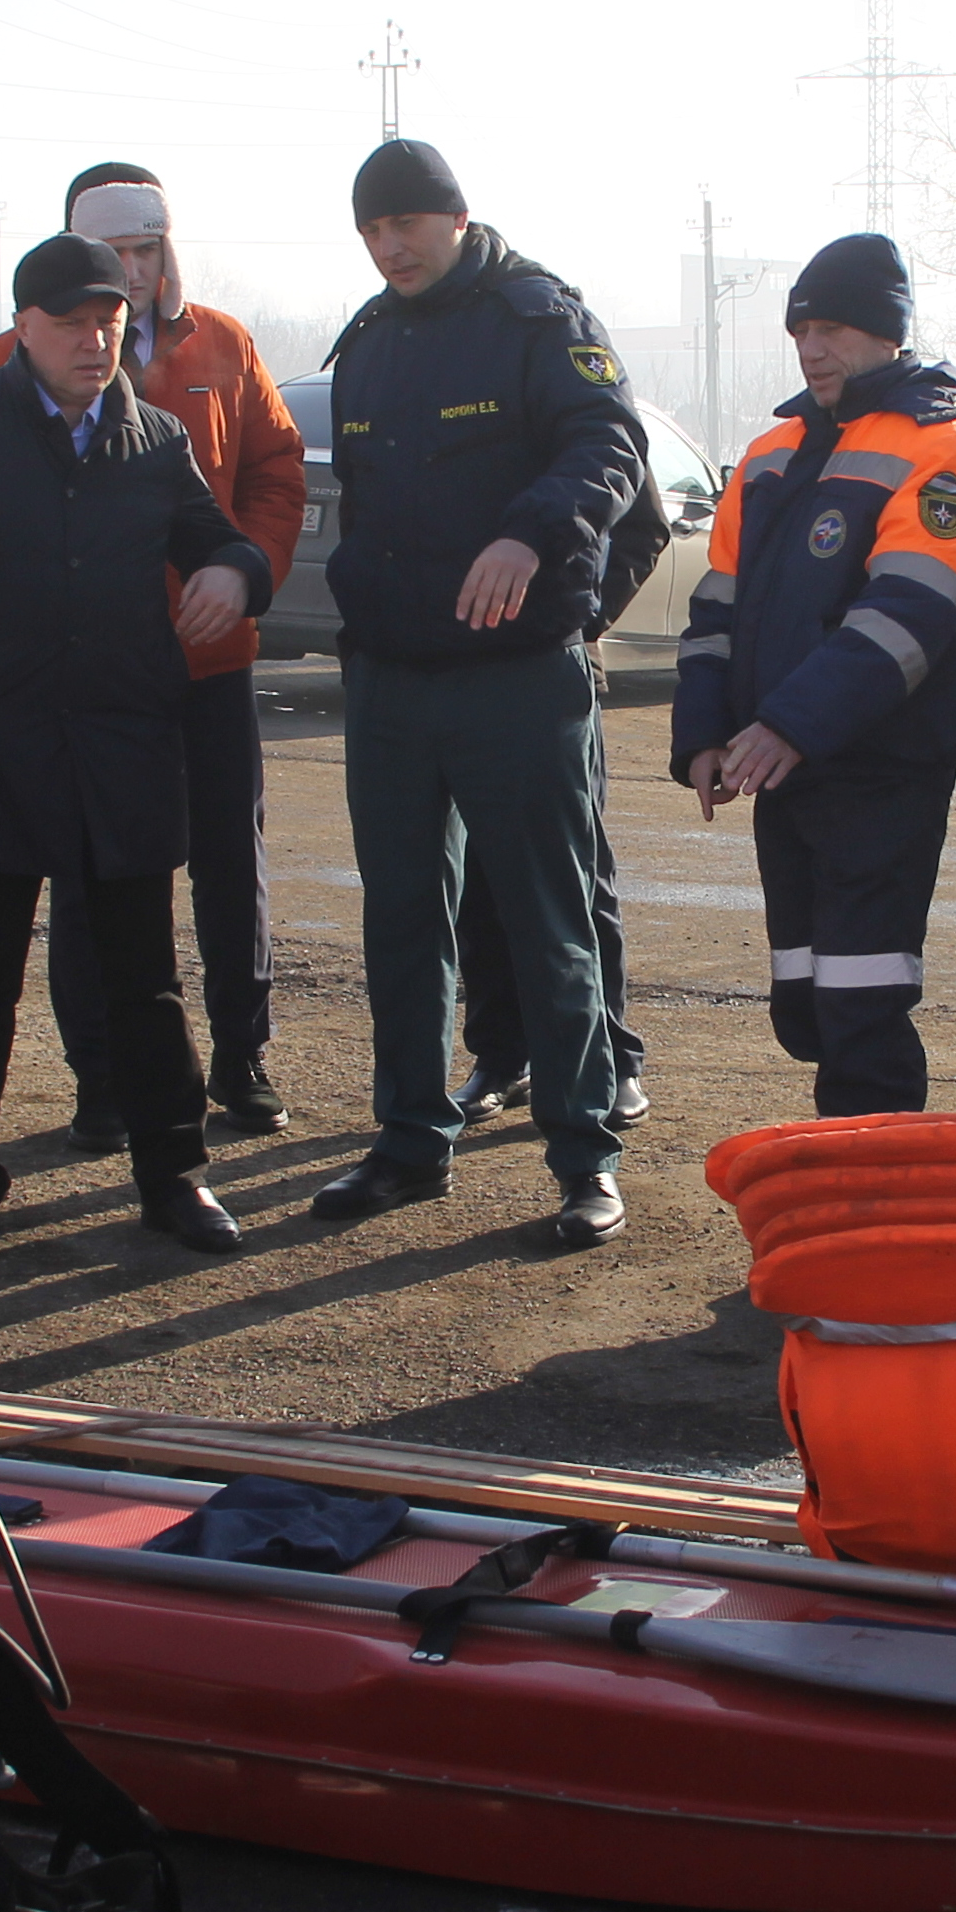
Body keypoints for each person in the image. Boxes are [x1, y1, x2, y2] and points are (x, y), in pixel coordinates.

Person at [0, 232, 269, 1268]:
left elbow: (213, 541)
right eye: (74, 323)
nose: (96, 341)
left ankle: (173, 1177)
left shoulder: (152, 441)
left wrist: (237, 571)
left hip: (119, 745)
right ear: (24, 326)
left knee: (144, 981)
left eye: (111, 321)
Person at [307, 138, 645, 1249]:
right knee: (403, 924)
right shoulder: (367, 344)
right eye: (371, 229)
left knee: (549, 924)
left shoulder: (537, 320)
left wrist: (529, 535)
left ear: (456, 218)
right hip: (396, 681)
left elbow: (610, 443)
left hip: (515, 678)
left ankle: (585, 1157)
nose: (390, 245)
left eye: (407, 223)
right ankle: (410, 1142)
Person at [0, 162, 311, 1146]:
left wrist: (245, 574)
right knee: (91, 875)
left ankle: (242, 1060)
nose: (129, 270)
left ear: (169, 251)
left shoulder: (224, 346)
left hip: (209, 667)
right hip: (85, 685)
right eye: (110, 251)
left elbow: (277, 479)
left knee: (227, 868)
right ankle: (102, 1079)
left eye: (146, 248)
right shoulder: (3, 363)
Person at [670, 233, 956, 1117]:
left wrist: (788, 725)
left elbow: (908, 616)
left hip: (880, 772)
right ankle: (850, 1177)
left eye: (833, 329)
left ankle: (878, 1200)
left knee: (864, 1004)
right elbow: (718, 607)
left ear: (886, 332)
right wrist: (704, 731)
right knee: (809, 1001)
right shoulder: (774, 450)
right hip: (786, 771)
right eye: (801, 330)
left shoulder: (948, 445)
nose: (813, 348)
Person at [452, 442, 664, 1130]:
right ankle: (500, 1056)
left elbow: (642, 524)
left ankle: (614, 1058)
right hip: (459, 671)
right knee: (481, 877)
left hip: (555, 671)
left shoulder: (572, 400)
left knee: (577, 877)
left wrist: (582, 615)